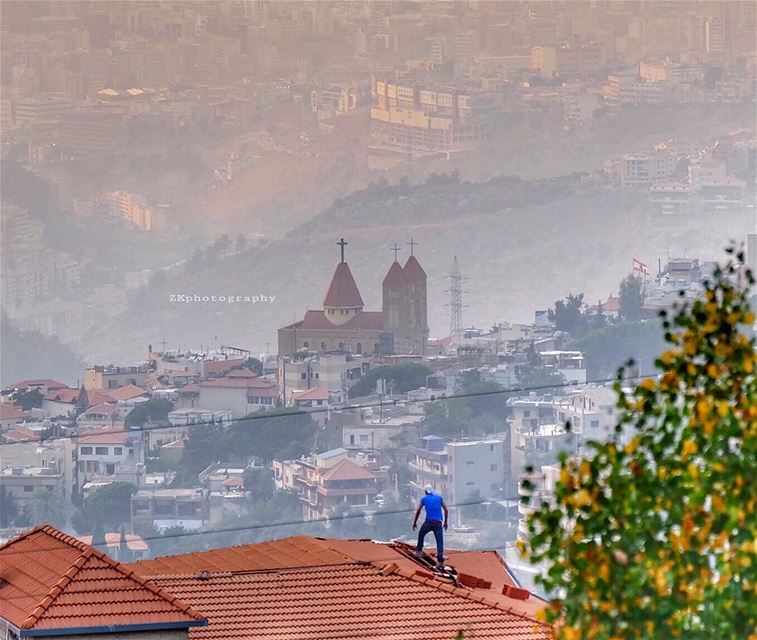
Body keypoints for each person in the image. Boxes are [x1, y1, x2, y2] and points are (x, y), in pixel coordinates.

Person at [412, 484, 448, 568]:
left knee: (421, 534)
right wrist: (446, 522)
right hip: (438, 523)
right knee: (440, 542)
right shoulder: (439, 498)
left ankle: (418, 552)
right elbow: (446, 509)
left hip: (428, 522)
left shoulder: (424, 499)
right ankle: (440, 561)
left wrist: (414, 522)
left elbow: (418, 511)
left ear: (425, 491)